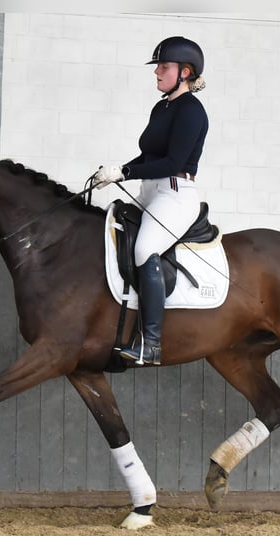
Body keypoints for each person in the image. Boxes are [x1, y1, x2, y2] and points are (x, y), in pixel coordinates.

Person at [93, 36, 209, 365]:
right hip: (150, 191)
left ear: (185, 72)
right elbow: (148, 155)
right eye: (158, 66)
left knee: (145, 248)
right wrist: (114, 171)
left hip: (175, 194)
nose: (157, 72)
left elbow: (173, 162)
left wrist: (125, 172)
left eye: (164, 66)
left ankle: (152, 344)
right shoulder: (163, 107)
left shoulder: (191, 111)